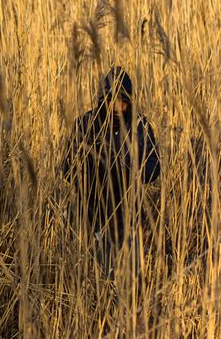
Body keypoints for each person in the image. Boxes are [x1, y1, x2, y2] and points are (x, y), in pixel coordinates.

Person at [61, 67, 161, 273]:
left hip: (128, 217)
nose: (117, 107)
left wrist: (127, 170)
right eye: (112, 100)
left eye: (123, 102)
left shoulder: (140, 126)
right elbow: (67, 168)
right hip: (92, 217)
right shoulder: (85, 125)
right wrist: (95, 167)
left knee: (129, 279)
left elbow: (154, 167)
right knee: (99, 276)